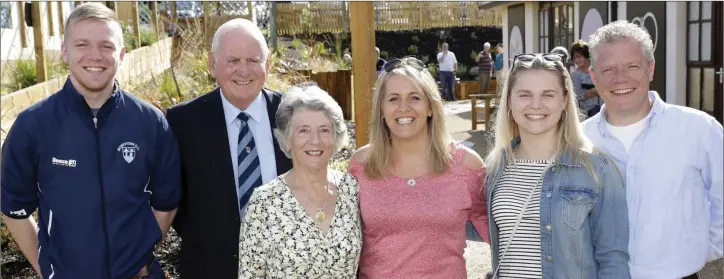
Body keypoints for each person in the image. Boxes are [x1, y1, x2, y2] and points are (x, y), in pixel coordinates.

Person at [1, 3, 180, 278]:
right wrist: (44, 265)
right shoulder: (32, 126)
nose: (95, 56)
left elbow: (166, 203)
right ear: (64, 50)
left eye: (106, 46)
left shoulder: (151, 123)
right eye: (82, 44)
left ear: (121, 54)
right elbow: (14, 208)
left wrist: (139, 260)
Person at [583, 20, 723, 279]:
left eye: (632, 66)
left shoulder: (699, 129)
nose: (620, 78)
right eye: (608, 69)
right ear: (593, 76)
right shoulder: (579, 139)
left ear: (650, 69)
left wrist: (706, 251)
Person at [476, 53, 631, 278]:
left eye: (548, 94)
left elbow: (613, 260)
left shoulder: (596, 170)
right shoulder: (496, 167)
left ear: (564, 100)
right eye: (525, 95)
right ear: (510, 101)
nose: (536, 104)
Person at [165, 18, 293, 279]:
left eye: (254, 60)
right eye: (233, 61)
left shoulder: (293, 114)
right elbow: (173, 197)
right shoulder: (183, 122)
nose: (243, 70)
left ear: (267, 64)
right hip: (210, 269)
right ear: (213, 64)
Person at [348, 57, 488, 278]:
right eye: (393, 99)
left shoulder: (466, 165)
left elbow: (502, 234)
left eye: (415, 98)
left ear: (431, 107)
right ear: (381, 109)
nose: (404, 108)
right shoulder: (361, 164)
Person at [238, 84, 362, 278]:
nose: (315, 140)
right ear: (287, 140)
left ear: (335, 138)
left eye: (324, 130)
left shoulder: (352, 189)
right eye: (303, 130)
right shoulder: (264, 202)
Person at [570, 40, 601, 117]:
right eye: (575, 58)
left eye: (579, 56)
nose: (577, 60)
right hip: (588, 111)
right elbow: (578, 96)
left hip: (605, 106)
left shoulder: (598, 68)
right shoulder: (575, 75)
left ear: (586, 55)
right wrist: (594, 91)